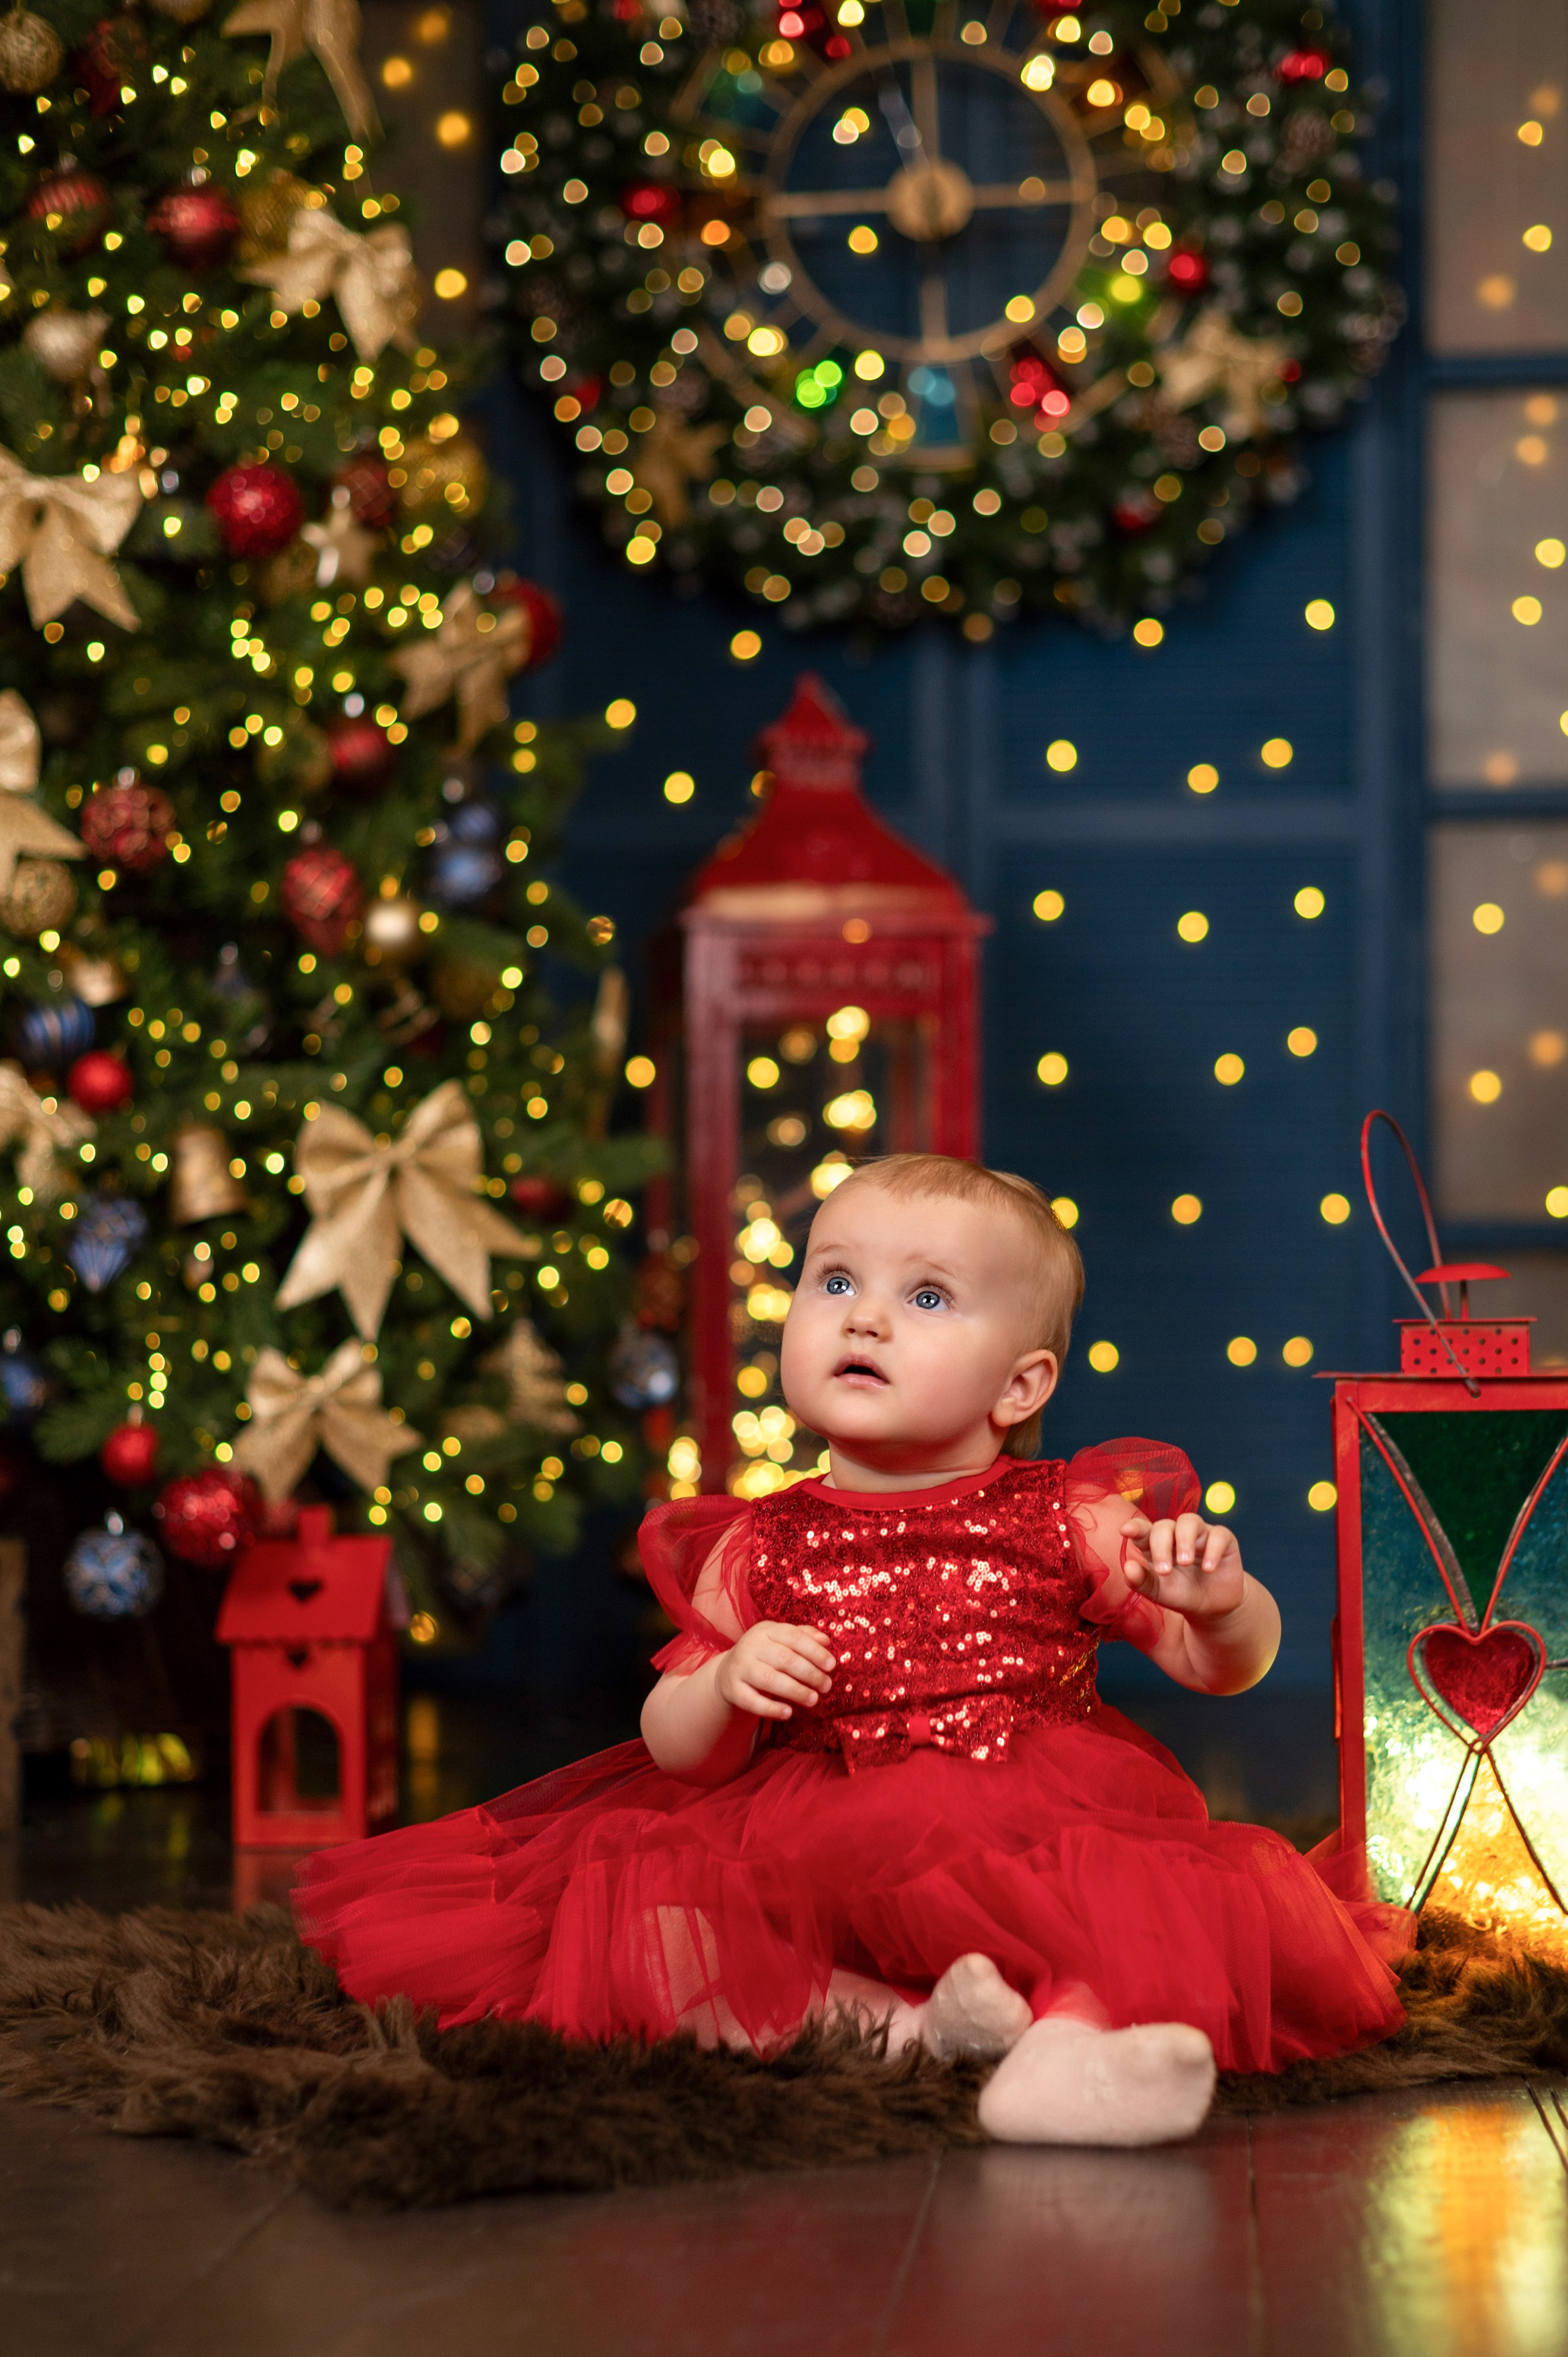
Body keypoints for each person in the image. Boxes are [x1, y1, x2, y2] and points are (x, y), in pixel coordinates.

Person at [296, 1154, 1404, 2147]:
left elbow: (1224, 1668)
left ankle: (1067, 2050)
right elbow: (676, 1749)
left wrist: (1220, 1605)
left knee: (1135, 1912)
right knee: (657, 1924)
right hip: (809, 1826)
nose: (864, 1319)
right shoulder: (755, 1542)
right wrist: (727, 1685)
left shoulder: (1071, 1517)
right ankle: (911, 2028)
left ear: (1020, 1387)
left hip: (1027, 1815)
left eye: (926, 1298)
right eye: (834, 1282)